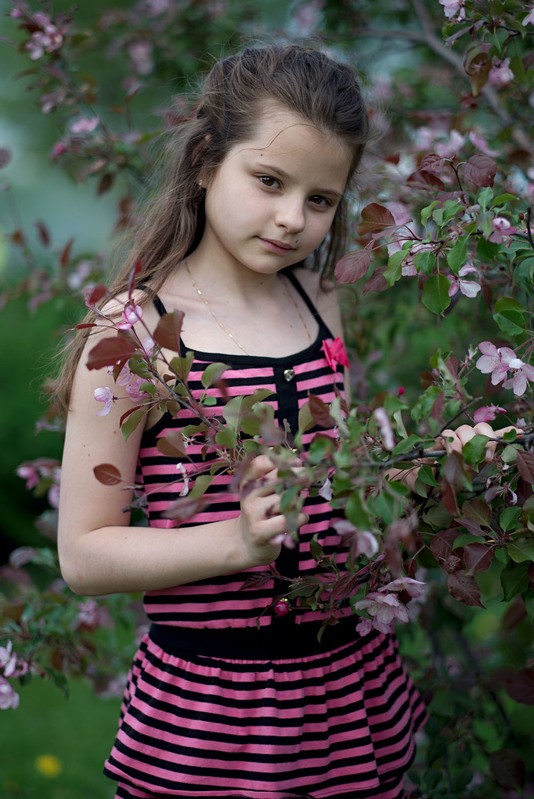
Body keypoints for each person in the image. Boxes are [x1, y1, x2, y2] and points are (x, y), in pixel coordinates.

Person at [56, 45, 427, 799]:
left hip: (345, 686)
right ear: (203, 162)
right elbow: (84, 556)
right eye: (269, 181)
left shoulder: (319, 303)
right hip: (212, 710)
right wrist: (238, 540)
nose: (293, 218)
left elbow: (335, 488)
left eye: (321, 199)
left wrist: (409, 485)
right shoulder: (132, 333)